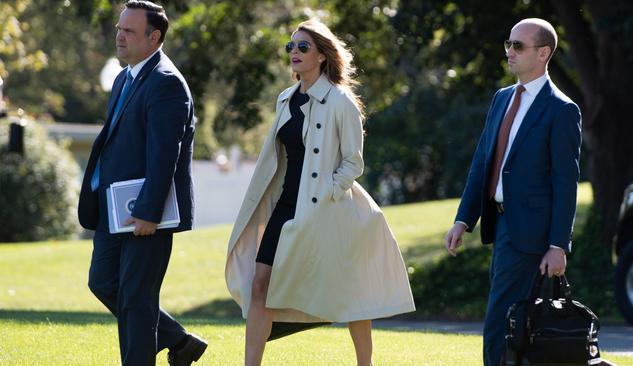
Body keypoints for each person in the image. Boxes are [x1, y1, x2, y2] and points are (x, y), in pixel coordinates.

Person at [225, 19, 415, 366]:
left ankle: (365, 363)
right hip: (286, 204)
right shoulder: (285, 99)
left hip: (332, 209)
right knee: (260, 285)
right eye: (290, 47)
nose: (294, 53)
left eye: (303, 47)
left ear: (322, 56)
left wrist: (329, 191)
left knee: (352, 290)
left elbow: (353, 163)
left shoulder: (342, 101)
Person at [444, 18, 582, 366]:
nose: (509, 51)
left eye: (518, 46)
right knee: (513, 322)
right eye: (508, 44)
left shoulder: (562, 109)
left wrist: (557, 245)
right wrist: (464, 219)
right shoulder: (502, 98)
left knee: (498, 320)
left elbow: (565, 182)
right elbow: (482, 163)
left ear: (543, 53)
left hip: (532, 233)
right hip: (500, 225)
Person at [77, 1, 206, 365]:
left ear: (154, 37)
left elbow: (164, 155)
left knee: (135, 298)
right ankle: (180, 342)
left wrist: (149, 212)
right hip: (111, 211)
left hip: (145, 215)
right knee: (103, 283)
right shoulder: (123, 78)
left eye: (129, 31)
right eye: (119, 28)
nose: (119, 36)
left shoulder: (166, 83)